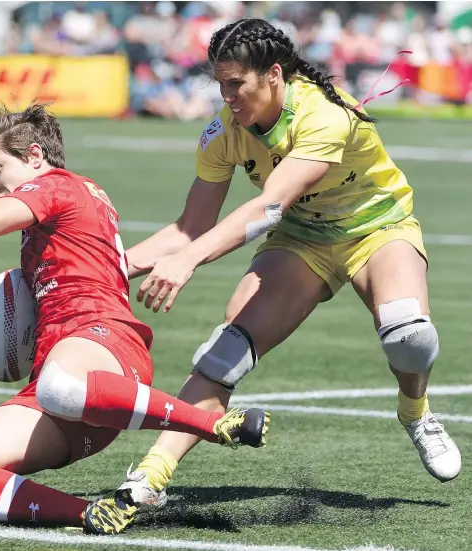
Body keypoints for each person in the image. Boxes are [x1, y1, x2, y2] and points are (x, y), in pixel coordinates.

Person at [87, 18, 462, 532]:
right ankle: (147, 480)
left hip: (377, 228)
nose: (227, 96)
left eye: (236, 83)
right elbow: (188, 227)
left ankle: (414, 410)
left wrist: (189, 260)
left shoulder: (324, 115)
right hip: (303, 240)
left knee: (410, 336)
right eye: (219, 84)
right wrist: (107, 270)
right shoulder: (223, 131)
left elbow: (268, 205)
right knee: (225, 352)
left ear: (274, 75)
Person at [0, 102, 271, 533]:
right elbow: (69, 278)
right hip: (65, 393)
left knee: (59, 385)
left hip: (103, 348)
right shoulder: (63, 212)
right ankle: (90, 513)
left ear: (34, 156)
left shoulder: (58, 187)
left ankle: (213, 423)